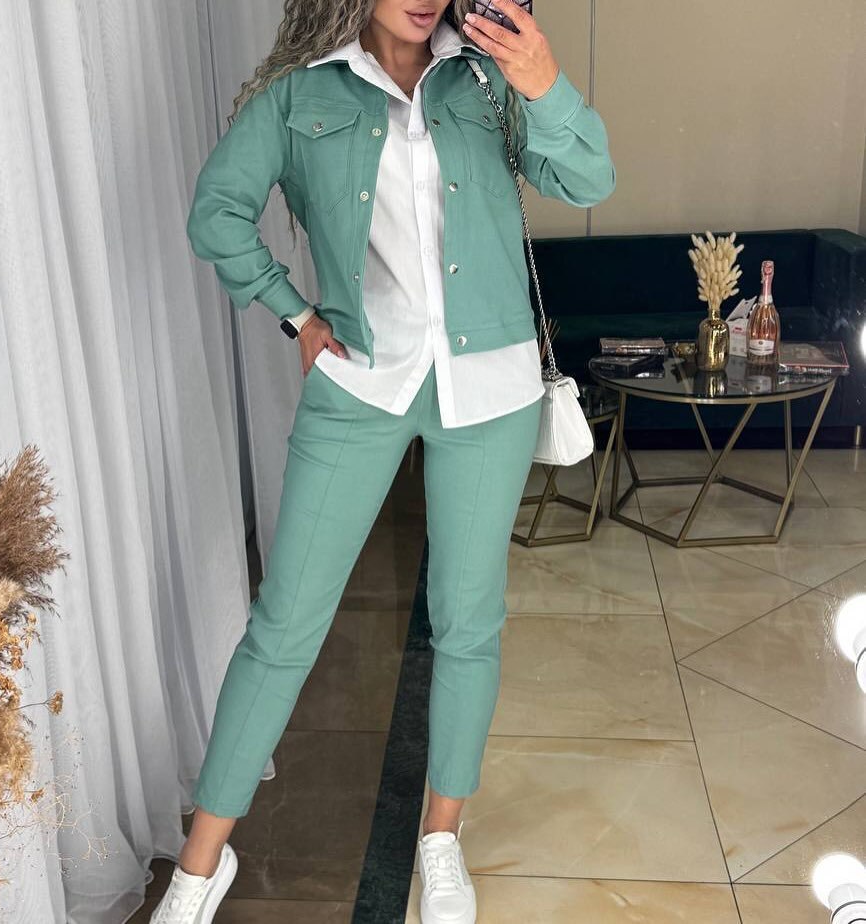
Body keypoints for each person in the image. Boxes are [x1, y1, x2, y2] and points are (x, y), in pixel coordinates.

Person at [151, 1, 615, 921]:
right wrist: (294, 312)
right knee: (283, 626)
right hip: (361, 383)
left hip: (489, 387)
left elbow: (589, 175)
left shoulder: (485, 75)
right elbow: (217, 213)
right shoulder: (300, 94)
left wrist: (545, 83)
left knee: (469, 623)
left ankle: (440, 839)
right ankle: (199, 869)